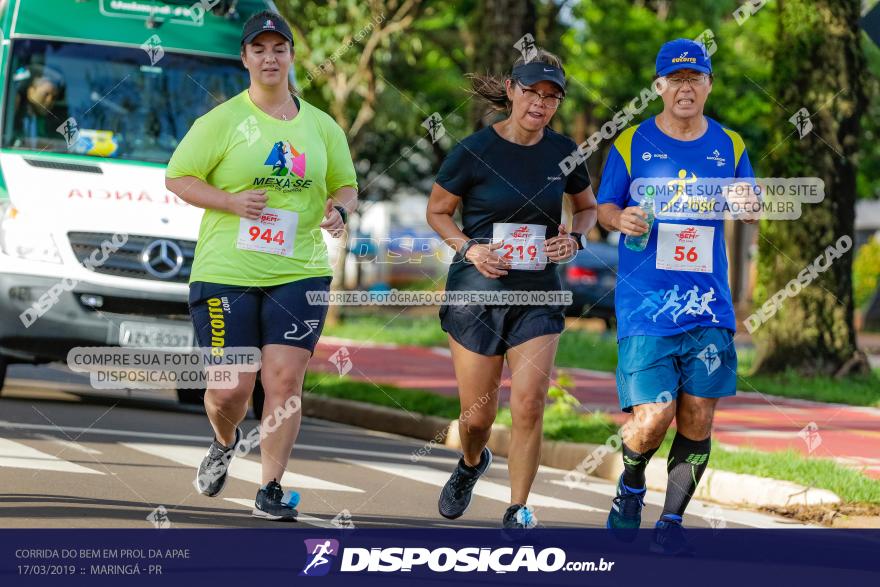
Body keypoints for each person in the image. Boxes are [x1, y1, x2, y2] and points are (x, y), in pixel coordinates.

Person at [165, 10, 358, 521]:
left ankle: (270, 488)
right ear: (245, 58)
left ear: (292, 56)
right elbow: (178, 177)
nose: (270, 57)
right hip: (227, 270)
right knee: (230, 386)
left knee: (283, 380)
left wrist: (339, 210)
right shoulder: (222, 121)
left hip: (300, 270)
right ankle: (224, 440)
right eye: (259, 49)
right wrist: (230, 203)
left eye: (279, 48)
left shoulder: (321, 126)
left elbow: (346, 184)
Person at [597, 38, 757, 554]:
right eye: (676, 79)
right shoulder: (630, 143)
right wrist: (620, 217)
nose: (686, 88)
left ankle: (669, 523)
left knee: (697, 416)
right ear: (659, 87)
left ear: (708, 85)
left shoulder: (730, 145)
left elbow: (752, 206)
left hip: (708, 304)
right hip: (646, 303)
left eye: (696, 78)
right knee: (652, 419)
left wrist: (749, 200)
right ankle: (632, 483)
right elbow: (603, 208)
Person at [427, 49, 597, 530]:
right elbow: (438, 212)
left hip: (537, 296)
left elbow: (585, 207)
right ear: (511, 90)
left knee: (528, 403)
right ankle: (470, 462)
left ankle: (518, 507)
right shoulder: (474, 150)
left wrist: (575, 237)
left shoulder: (564, 152)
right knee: (477, 419)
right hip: (476, 296)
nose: (540, 104)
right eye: (532, 92)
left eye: (552, 96)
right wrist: (469, 250)